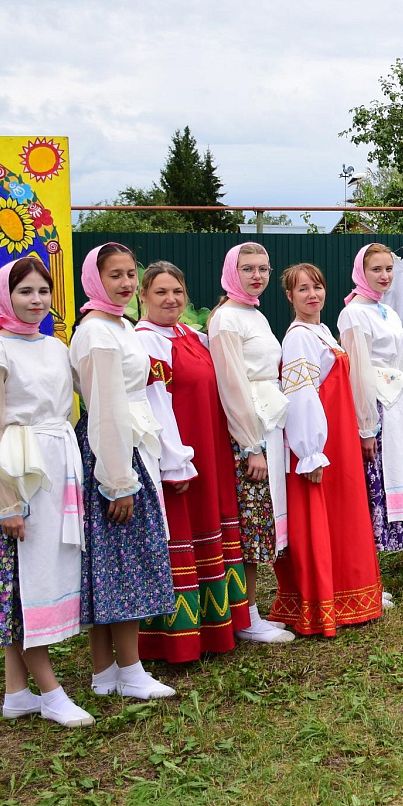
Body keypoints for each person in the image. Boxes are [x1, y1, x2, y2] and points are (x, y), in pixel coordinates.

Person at [0, 257, 93, 727]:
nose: (36, 301)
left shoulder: (56, 347)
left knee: (41, 575)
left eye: (43, 291)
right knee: (27, 580)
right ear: (4, 296)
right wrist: (7, 500)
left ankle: (16, 691)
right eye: (25, 292)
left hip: (56, 467)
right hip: (17, 472)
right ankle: (51, 690)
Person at [70, 244, 178, 700]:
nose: (127, 283)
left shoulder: (118, 324)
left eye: (131, 273)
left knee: (111, 560)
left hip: (127, 443)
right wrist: (118, 480)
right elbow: (106, 410)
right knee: (125, 559)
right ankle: (127, 669)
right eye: (115, 275)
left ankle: (106, 672)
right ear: (95, 279)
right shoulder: (96, 332)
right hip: (112, 451)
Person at [135, 262, 252, 662]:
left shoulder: (193, 335)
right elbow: (154, 404)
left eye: (177, 292)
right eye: (161, 293)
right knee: (184, 530)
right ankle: (179, 638)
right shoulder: (145, 341)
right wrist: (172, 460)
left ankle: (220, 624)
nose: (171, 300)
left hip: (210, 447)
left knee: (212, 523)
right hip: (180, 453)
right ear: (143, 297)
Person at [273, 264, 386, 636]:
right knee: (324, 516)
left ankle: (347, 592)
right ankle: (325, 600)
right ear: (289, 297)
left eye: (317, 286)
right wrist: (309, 451)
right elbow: (301, 396)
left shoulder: (322, 332)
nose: (312, 294)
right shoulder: (298, 338)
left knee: (343, 514)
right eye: (302, 289)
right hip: (320, 444)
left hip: (338, 438)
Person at [208, 243, 295, 644]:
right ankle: (246, 617)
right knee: (250, 524)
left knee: (260, 522)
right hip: (248, 432)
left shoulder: (253, 314)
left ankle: (251, 610)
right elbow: (232, 385)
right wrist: (249, 445)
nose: (257, 275)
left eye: (263, 268)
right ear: (232, 272)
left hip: (267, 425)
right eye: (248, 268)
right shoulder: (227, 319)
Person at [338, 243, 403, 578]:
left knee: (386, 484)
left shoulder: (387, 310)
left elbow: (401, 361)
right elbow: (356, 371)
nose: (384, 276)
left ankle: (374, 572)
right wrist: (365, 425)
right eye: (376, 270)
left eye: (389, 269)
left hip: (393, 405)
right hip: (375, 410)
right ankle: (364, 574)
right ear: (361, 272)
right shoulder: (355, 312)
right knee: (372, 489)